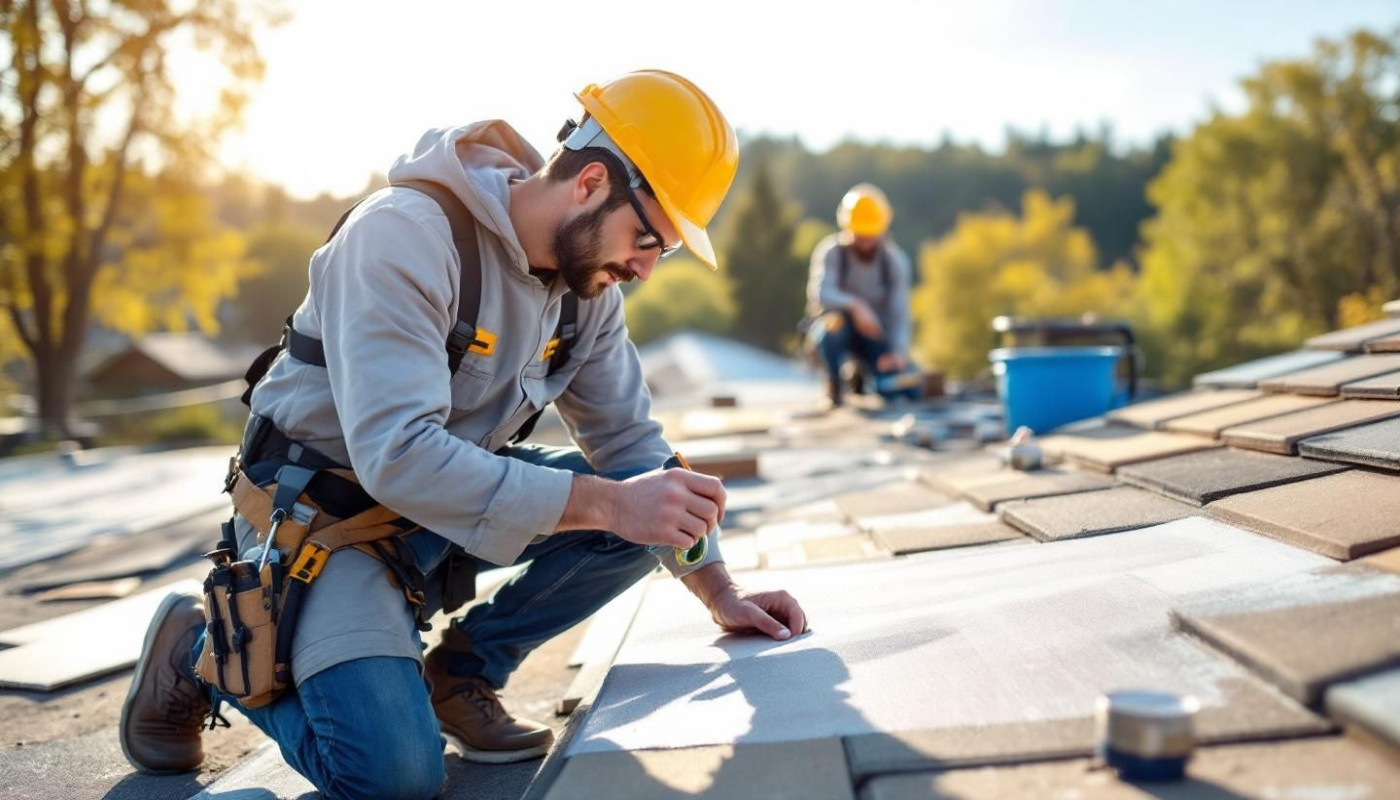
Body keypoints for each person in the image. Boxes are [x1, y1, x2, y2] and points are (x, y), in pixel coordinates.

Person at [119, 70, 808, 800]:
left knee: (648, 505)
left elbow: (631, 442)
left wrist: (719, 590)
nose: (643, 268)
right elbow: (400, 456)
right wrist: (609, 505)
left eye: (660, 252)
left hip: (439, 510)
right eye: (646, 238)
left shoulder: (585, 289)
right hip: (322, 523)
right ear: (590, 182)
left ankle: (462, 672)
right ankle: (204, 649)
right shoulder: (404, 236)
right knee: (392, 779)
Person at [805, 183, 915, 407]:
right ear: (846, 226)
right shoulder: (832, 252)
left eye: (870, 232)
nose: (865, 239)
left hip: (874, 336)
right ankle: (834, 385)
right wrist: (856, 306)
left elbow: (899, 312)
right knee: (833, 325)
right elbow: (820, 293)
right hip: (837, 333)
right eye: (859, 232)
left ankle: (863, 376)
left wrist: (898, 352)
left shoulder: (894, 261)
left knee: (906, 389)